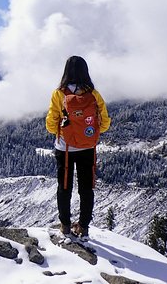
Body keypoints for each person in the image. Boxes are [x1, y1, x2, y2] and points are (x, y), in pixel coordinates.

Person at [46, 55, 111, 240]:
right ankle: (83, 226)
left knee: (64, 186)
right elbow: (104, 121)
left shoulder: (59, 93)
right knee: (86, 188)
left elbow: (52, 122)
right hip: (88, 147)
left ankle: (65, 225)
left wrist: (60, 132)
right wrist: (89, 134)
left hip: (65, 148)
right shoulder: (93, 94)